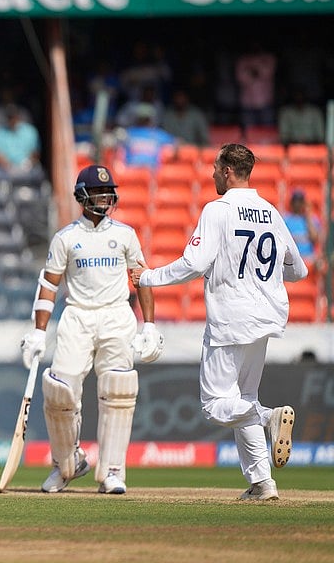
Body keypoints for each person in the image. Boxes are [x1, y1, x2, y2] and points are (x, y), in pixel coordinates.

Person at [131, 144, 307, 501]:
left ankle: (269, 416)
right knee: (242, 397)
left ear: (228, 171)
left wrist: (148, 278)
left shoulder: (218, 209)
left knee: (216, 404)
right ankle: (263, 483)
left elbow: (194, 263)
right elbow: (298, 269)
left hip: (230, 317)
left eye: (215, 167)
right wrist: (269, 277)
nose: (211, 173)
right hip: (266, 316)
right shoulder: (270, 211)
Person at [20, 165, 163, 495]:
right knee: (59, 391)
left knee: (119, 389)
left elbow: (141, 279)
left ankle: (113, 471)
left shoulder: (125, 234)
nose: (104, 196)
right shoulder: (66, 238)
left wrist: (150, 326)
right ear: (82, 197)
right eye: (97, 192)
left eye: (107, 191)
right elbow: (49, 285)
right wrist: (38, 332)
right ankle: (67, 464)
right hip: (77, 317)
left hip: (116, 316)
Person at [285, 189, 323, 273]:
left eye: (300, 201)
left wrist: (308, 216)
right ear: (292, 202)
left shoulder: (312, 219)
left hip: (309, 257)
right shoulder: (286, 219)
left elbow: (314, 238)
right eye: (295, 201)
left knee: (320, 263)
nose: (297, 204)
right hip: (293, 257)